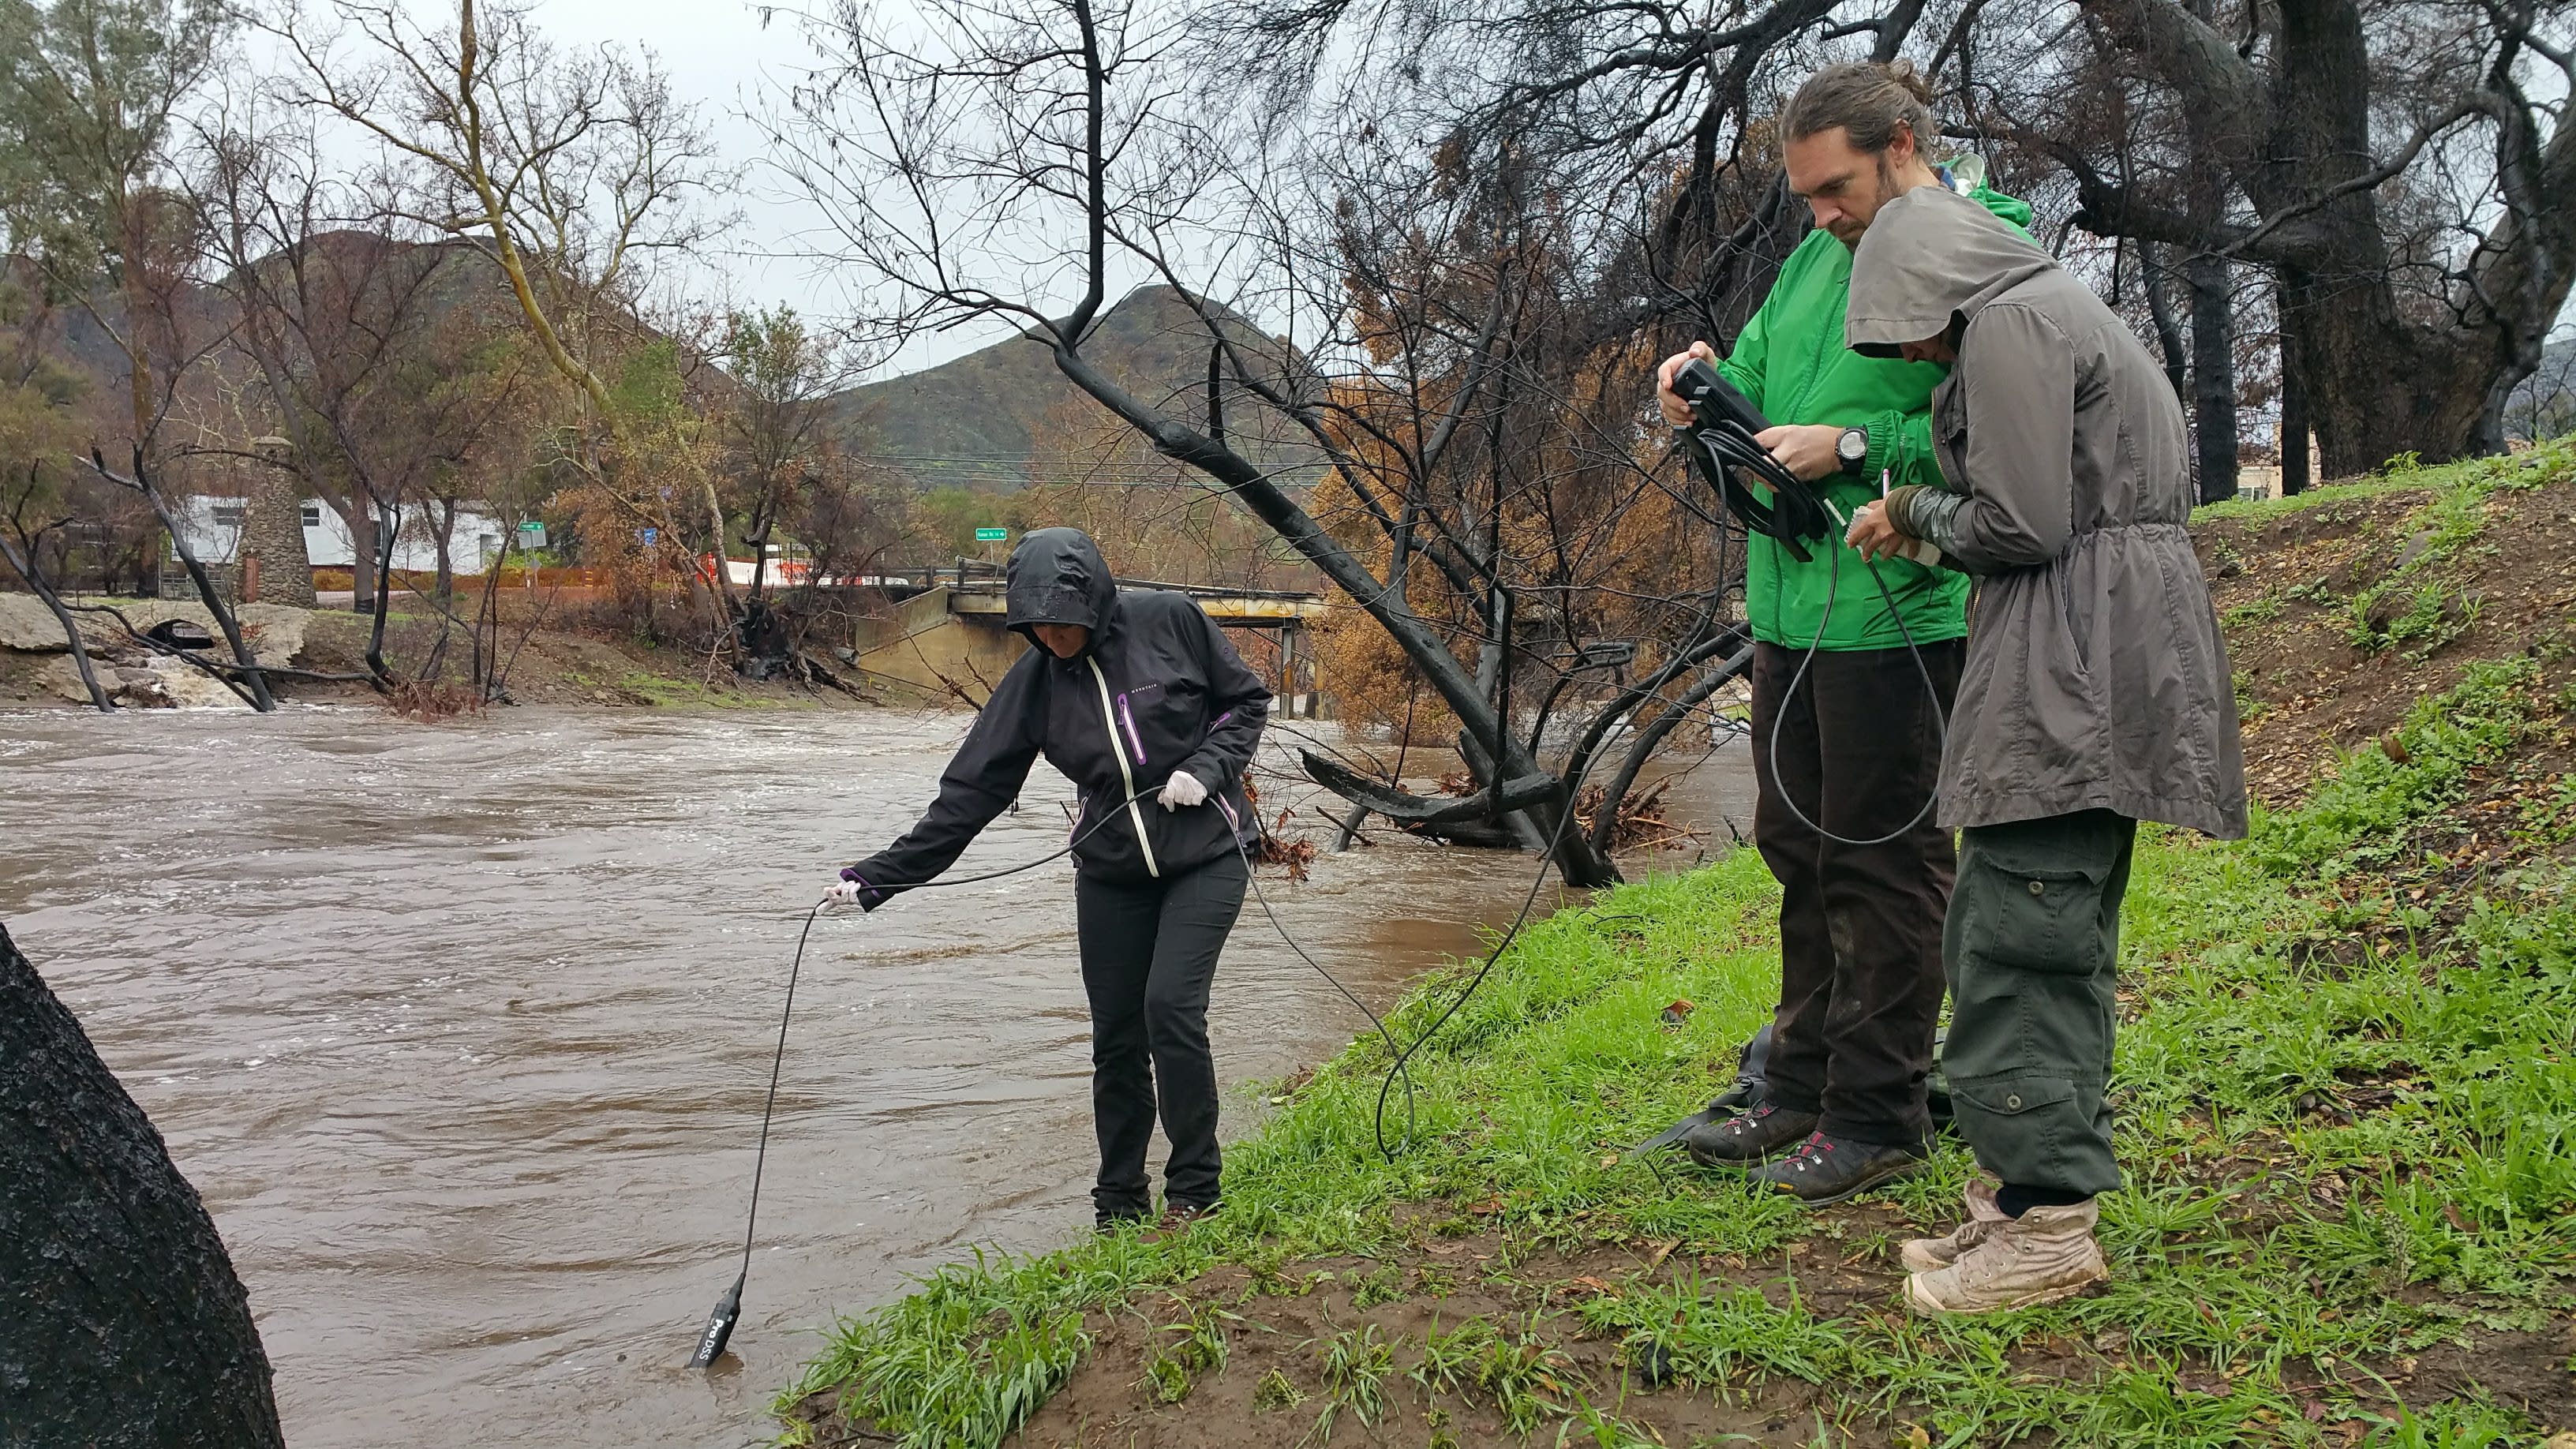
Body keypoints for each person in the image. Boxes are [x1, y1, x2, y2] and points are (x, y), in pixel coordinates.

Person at [1840, 185, 2248, 1313]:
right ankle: (2013, 1206)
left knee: (2029, 936)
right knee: (2022, 918)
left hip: (2072, 657)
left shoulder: (2014, 320)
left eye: (1910, 330)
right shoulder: (2057, 306)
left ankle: (2050, 1231)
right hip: (2089, 638)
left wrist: (1915, 511)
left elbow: (2020, 524)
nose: (1915, 356)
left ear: (1934, 287)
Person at [1649, 62, 2031, 1204]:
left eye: (1837, 187)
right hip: (1789, 609)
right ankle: (1798, 1083)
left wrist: (1856, 451)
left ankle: (1880, 1111)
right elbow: (1761, 371)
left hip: (1899, 612)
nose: (1820, 213)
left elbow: (1996, 438)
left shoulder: (1987, 247)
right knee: (1798, 851)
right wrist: (1702, 379)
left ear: (1902, 145)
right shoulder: (1821, 254)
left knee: (1884, 865)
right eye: (1807, 194)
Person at [825, 528, 1272, 1230]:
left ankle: (1194, 1192)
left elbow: (1244, 702)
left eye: (1065, 624)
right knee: (1116, 1038)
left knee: (1170, 1010)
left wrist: (1206, 769)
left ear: (1094, 600)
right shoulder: (1033, 683)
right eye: (1039, 627)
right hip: (1112, 872)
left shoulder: (1170, 620)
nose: (1055, 639)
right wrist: (879, 878)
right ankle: (1119, 1203)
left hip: (1209, 850)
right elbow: (968, 796)